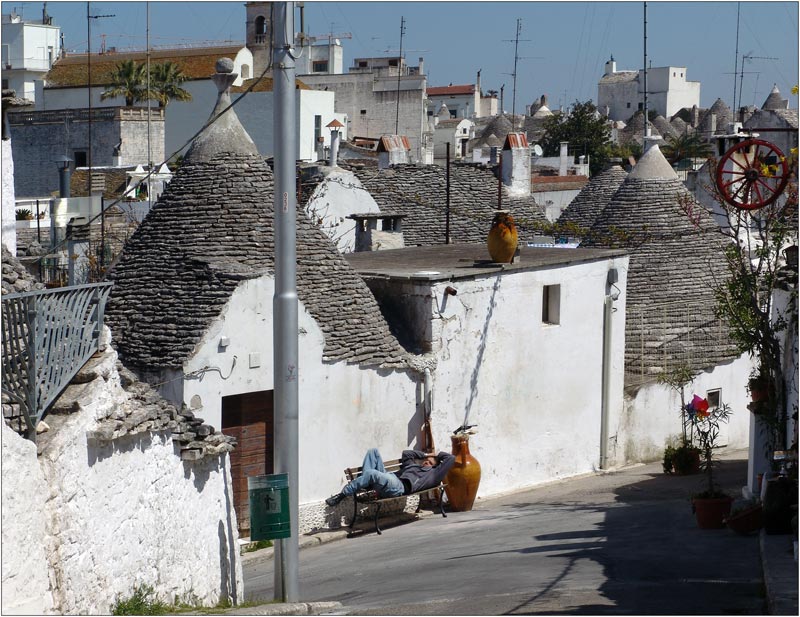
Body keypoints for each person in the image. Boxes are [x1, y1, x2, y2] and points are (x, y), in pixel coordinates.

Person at [325, 447, 455, 507]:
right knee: (373, 452)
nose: (427, 462)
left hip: (399, 486)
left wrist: (436, 455)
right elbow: (407, 453)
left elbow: (450, 458)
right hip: (390, 478)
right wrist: (426, 454)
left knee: (372, 474)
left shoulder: (433, 475)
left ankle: (342, 495)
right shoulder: (412, 466)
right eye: (426, 460)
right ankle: (368, 484)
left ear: (434, 467)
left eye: (430, 463)